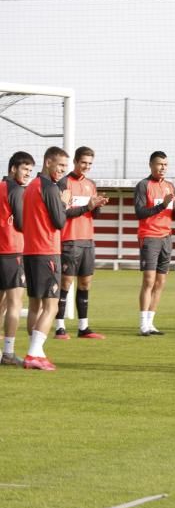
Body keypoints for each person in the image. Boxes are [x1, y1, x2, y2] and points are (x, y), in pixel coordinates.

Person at [17, 146, 70, 370]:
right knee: (52, 306)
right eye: (60, 165)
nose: (62, 171)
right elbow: (59, 221)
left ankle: (35, 352)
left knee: (36, 305)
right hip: (46, 250)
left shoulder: (32, 186)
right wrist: (64, 202)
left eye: (65, 167)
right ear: (48, 162)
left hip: (30, 251)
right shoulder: (49, 187)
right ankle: (33, 354)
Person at [134, 151, 175, 335]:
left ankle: (151, 323)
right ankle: (143, 324)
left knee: (160, 282)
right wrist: (163, 205)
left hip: (166, 237)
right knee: (149, 280)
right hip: (149, 236)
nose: (163, 168)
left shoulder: (170, 186)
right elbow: (140, 212)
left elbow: (173, 216)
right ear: (151, 165)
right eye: (159, 164)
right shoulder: (143, 185)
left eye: (166, 164)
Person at [54, 146, 109, 340]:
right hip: (69, 239)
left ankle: (83, 327)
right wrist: (88, 206)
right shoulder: (63, 183)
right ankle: (59, 327)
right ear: (75, 162)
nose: (86, 166)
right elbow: (63, 213)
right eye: (83, 162)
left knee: (85, 283)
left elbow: (93, 214)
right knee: (66, 282)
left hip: (88, 240)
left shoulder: (91, 184)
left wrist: (97, 205)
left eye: (90, 163)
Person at [0, 152, 32, 366]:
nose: (28, 174)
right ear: (13, 169)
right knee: (14, 303)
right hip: (12, 251)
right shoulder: (16, 190)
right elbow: (21, 223)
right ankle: (9, 353)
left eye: (30, 171)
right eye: (24, 169)